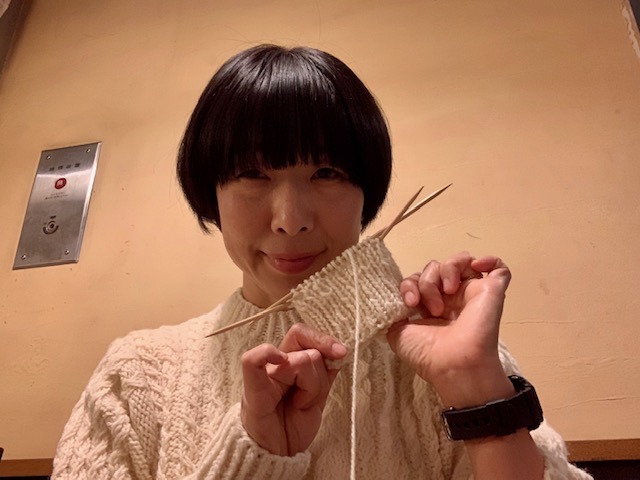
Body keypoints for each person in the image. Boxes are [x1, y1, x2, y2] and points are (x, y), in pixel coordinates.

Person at [52, 44, 592, 479]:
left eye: (327, 174)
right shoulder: (135, 377)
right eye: (253, 174)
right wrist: (254, 454)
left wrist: (472, 386)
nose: (291, 220)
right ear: (209, 193)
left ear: (366, 192)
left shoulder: (442, 351)